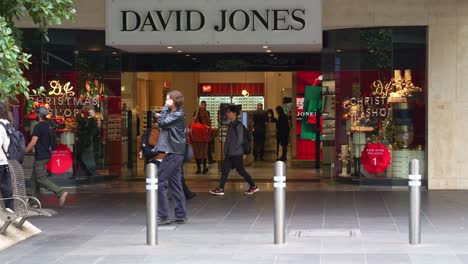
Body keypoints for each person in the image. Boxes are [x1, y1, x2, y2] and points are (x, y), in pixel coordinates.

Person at [139, 116, 196, 200]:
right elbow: (151, 142)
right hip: (161, 158)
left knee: (178, 174)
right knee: (176, 174)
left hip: (165, 157)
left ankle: (184, 193)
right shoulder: (155, 129)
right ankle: (183, 193)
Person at [154, 90, 187, 225]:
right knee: (175, 184)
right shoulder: (175, 114)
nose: (165, 101)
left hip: (174, 153)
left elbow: (162, 124)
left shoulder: (178, 114)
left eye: (167, 99)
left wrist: (163, 109)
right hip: (175, 152)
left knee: (160, 180)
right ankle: (180, 214)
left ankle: (163, 215)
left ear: (173, 101)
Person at [209, 105, 259, 196]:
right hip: (230, 153)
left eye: (229, 112)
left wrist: (234, 150)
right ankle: (221, 188)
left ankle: (253, 186)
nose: (227, 114)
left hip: (236, 153)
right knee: (225, 170)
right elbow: (223, 124)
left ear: (234, 113)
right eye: (227, 112)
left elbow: (239, 140)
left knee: (241, 171)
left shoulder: (238, 125)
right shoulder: (231, 124)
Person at [25, 107, 68, 207]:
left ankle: (60, 192)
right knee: (34, 179)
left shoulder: (38, 127)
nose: (35, 115)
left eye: (36, 113)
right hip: (47, 155)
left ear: (40, 115)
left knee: (40, 178)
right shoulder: (49, 126)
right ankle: (33, 202)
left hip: (41, 156)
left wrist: (23, 152)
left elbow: (33, 142)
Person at [0, 103, 13, 210]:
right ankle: (11, 212)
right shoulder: (7, 124)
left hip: (0, 162)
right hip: (5, 162)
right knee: (7, 190)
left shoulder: (0, 126)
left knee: (6, 189)